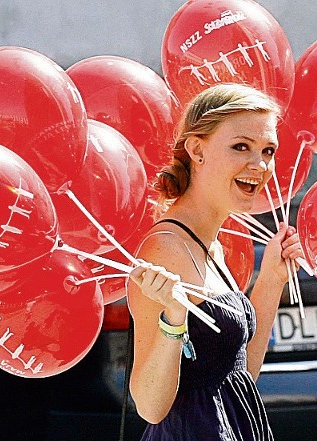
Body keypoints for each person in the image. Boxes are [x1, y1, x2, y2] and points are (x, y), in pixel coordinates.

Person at [127, 83, 304, 440]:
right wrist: (174, 319)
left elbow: (238, 378)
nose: (260, 165)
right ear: (196, 149)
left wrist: (271, 280)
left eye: (268, 150)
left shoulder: (212, 247)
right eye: (241, 147)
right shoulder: (165, 250)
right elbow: (149, 405)